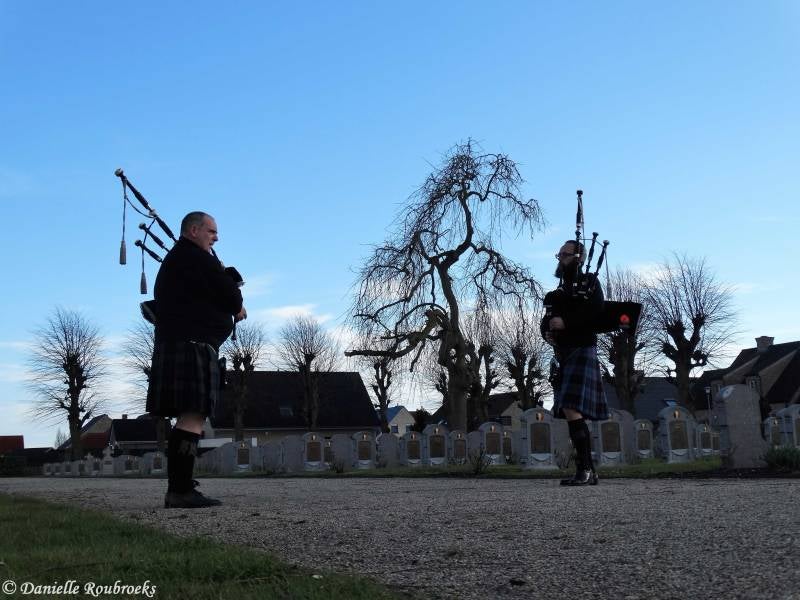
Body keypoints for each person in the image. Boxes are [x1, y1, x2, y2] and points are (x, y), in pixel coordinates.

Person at [146, 211, 246, 508]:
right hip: (192, 347)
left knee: (189, 417)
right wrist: (234, 297)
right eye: (211, 231)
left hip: (183, 344)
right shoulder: (198, 258)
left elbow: (209, 294)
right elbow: (231, 298)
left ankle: (179, 488)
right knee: (192, 416)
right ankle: (180, 491)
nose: (215, 237)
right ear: (193, 230)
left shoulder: (184, 260)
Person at [541, 240, 607, 486]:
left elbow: (596, 311)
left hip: (582, 349)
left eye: (564, 254)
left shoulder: (589, 283)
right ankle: (589, 471)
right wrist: (547, 332)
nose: (559, 258)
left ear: (578, 257)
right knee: (571, 411)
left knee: (570, 407)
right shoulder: (557, 293)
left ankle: (585, 470)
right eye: (558, 254)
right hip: (564, 354)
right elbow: (546, 321)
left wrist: (566, 323)